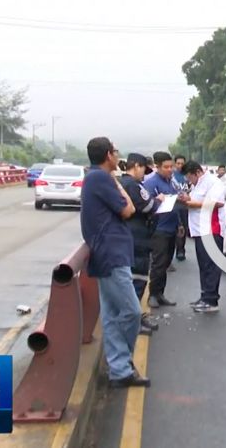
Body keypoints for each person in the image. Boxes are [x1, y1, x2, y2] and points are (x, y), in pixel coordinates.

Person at [80, 137, 149, 388]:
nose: (118, 156)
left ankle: (119, 371)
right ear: (108, 155)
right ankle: (122, 362)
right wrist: (117, 182)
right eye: (115, 152)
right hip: (110, 254)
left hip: (107, 253)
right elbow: (128, 210)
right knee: (131, 311)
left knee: (110, 315)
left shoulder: (95, 177)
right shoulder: (101, 178)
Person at [120, 153, 164, 336]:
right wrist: (158, 201)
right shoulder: (132, 185)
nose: (144, 175)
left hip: (132, 237)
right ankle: (132, 323)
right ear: (136, 166)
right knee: (137, 281)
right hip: (137, 238)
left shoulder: (123, 183)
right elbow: (148, 206)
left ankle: (135, 318)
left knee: (134, 281)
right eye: (143, 170)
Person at [181, 160, 226, 313]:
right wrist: (187, 199)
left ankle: (211, 300)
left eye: (190, 177)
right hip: (200, 230)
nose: (189, 180)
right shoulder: (198, 184)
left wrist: (193, 204)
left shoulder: (213, 182)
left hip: (211, 230)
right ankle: (205, 296)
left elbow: (218, 203)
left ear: (197, 172)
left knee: (211, 266)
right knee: (204, 265)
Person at [143, 151, 180, 308]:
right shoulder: (151, 183)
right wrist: (156, 200)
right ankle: (152, 294)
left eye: (171, 166)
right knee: (158, 263)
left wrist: (180, 224)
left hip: (172, 227)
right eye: (166, 167)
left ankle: (160, 293)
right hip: (159, 229)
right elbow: (146, 205)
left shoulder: (171, 182)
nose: (170, 169)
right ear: (157, 167)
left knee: (166, 263)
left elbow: (176, 203)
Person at [172, 155, 189, 262]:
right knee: (174, 229)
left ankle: (181, 250)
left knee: (183, 229)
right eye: (178, 163)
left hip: (184, 207)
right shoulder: (172, 175)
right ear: (175, 164)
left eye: (182, 163)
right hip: (174, 206)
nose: (180, 165)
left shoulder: (187, 176)